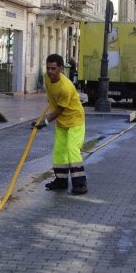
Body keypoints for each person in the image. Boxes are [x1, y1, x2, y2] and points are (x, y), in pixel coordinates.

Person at [32, 53, 88, 195]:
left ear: (61, 69)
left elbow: (59, 110)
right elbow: (52, 97)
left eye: (53, 69)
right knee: (59, 150)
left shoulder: (66, 87)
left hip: (75, 119)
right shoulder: (46, 77)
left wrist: (44, 122)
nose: (50, 72)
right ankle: (61, 181)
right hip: (62, 121)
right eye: (48, 68)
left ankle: (80, 184)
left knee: (71, 149)